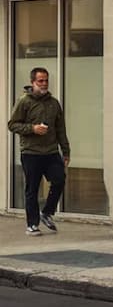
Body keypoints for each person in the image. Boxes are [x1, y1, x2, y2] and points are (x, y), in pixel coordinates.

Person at [7, 68, 69, 237]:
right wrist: (33, 128)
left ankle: (47, 213)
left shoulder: (54, 103)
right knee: (32, 189)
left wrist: (66, 151)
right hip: (31, 152)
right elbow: (12, 125)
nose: (44, 84)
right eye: (40, 81)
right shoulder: (24, 101)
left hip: (50, 152)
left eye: (46, 80)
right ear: (32, 82)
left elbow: (60, 129)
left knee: (59, 180)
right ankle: (32, 225)